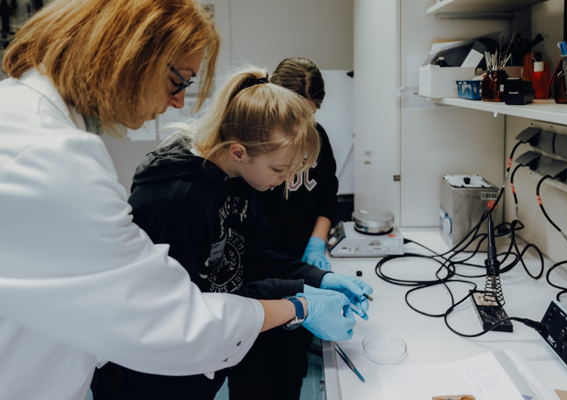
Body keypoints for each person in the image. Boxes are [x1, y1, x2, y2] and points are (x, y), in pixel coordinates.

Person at [0, 2, 352, 399]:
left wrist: (314, 279)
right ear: (129, 53)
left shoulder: (33, 125)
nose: (179, 102)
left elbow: (246, 257)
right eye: (179, 81)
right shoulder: (54, 157)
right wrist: (299, 306)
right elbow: (172, 320)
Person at [90, 67, 370, 399]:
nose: (283, 180)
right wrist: (300, 304)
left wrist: (316, 278)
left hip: (197, 367)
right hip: (150, 376)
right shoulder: (178, 201)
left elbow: (254, 254)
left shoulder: (236, 176)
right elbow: (190, 316)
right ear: (239, 151)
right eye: (279, 169)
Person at [228, 57, 345, 400]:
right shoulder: (250, 156)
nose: (303, 128)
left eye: (310, 117)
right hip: (254, 272)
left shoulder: (316, 139)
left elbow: (327, 199)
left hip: (298, 265)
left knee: (291, 366)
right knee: (253, 374)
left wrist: (316, 246)